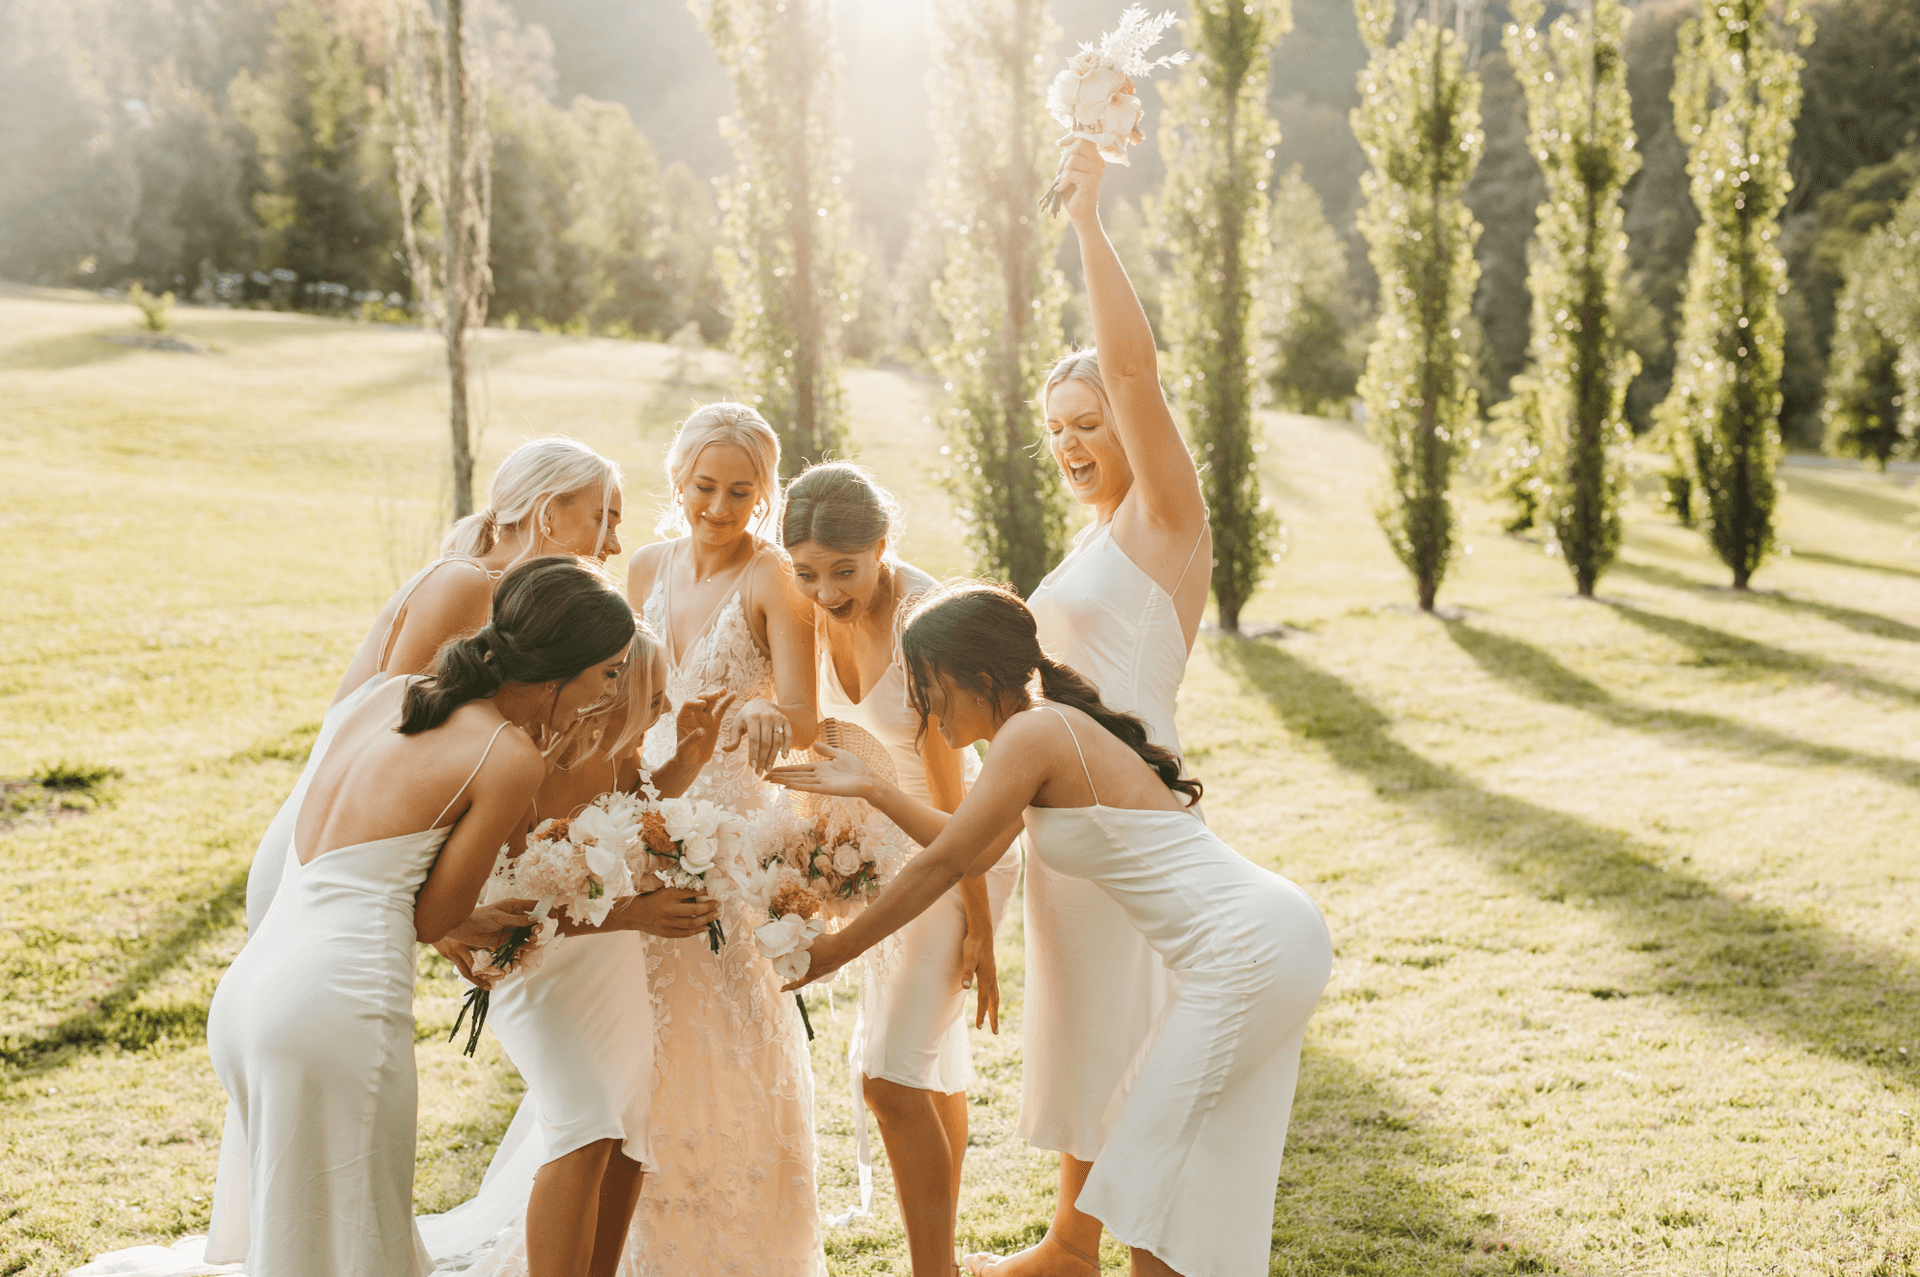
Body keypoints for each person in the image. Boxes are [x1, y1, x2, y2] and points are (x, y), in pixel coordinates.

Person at [775, 584, 1330, 1277]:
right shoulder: (1042, 728)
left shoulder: (1034, 732)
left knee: (1151, 1166)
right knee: (1155, 1146)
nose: (923, 706)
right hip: (1262, 939)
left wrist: (831, 951)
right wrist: (878, 788)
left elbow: (948, 863)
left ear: (979, 679)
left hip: (1247, 950)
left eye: (929, 686)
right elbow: (972, 846)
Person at [202, 556, 639, 1277]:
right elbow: (437, 911)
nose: (610, 692)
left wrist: (456, 919)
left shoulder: (391, 694)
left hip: (251, 996)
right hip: (337, 1010)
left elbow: (351, 857)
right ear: (564, 668)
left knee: (305, 1254)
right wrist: (474, 921)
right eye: (611, 672)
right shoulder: (507, 755)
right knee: (359, 1253)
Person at [1009, 136, 1214, 1276]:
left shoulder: (1164, 526)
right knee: (1092, 1034)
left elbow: (1135, 374)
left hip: (1137, 824)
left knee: (1144, 1043)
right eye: (1057, 430)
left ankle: (1150, 1255)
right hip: (1068, 834)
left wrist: (1088, 223)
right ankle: (1067, 1241)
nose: (1073, 441)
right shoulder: (1091, 539)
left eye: (1087, 421)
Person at [418, 629, 736, 1277]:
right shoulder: (522, 760)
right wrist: (637, 912)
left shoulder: (619, 759)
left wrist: (693, 759)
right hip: (532, 965)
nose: (663, 710)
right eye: (652, 696)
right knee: (584, 1119)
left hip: (609, 964)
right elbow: (500, 898)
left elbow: (636, 810)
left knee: (627, 1127)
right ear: (608, 691)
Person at [779, 462, 1020, 1273]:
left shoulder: (923, 620)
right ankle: (940, 1261)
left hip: (959, 851)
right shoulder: (810, 611)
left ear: (885, 546)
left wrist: (982, 928)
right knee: (926, 1066)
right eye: (807, 573)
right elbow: (831, 739)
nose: (825, 592)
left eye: (844, 571)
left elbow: (963, 819)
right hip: (886, 849)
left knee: (889, 1078)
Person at [244, 436, 626, 933]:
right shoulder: (465, 586)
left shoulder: (518, 618)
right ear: (548, 513)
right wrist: (447, 925)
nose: (614, 546)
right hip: (329, 858)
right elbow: (401, 741)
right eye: (604, 521)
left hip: (368, 864)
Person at [621, 402, 825, 1274]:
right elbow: (624, 700)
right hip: (648, 814)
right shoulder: (643, 570)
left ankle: (741, 1236)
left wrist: (756, 710)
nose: (719, 505)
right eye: (705, 486)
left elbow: (807, 712)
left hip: (734, 829)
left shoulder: (772, 578)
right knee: (640, 1017)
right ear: (677, 479)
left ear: (764, 494)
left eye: (740, 490)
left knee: (732, 1015)